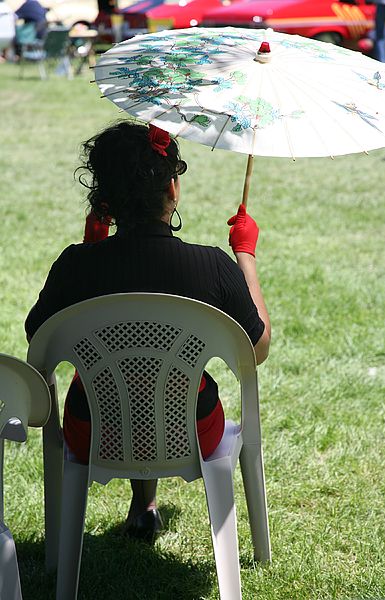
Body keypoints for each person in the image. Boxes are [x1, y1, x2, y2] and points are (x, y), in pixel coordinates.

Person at [25, 120, 271, 544]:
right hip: (191, 430)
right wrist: (245, 255)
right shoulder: (211, 266)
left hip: (94, 429)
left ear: (103, 200)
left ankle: (144, 504)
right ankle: (147, 503)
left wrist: (89, 250)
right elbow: (259, 347)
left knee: (123, 377)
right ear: (172, 189)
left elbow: (38, 341)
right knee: (168, 380)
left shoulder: (75, 265)